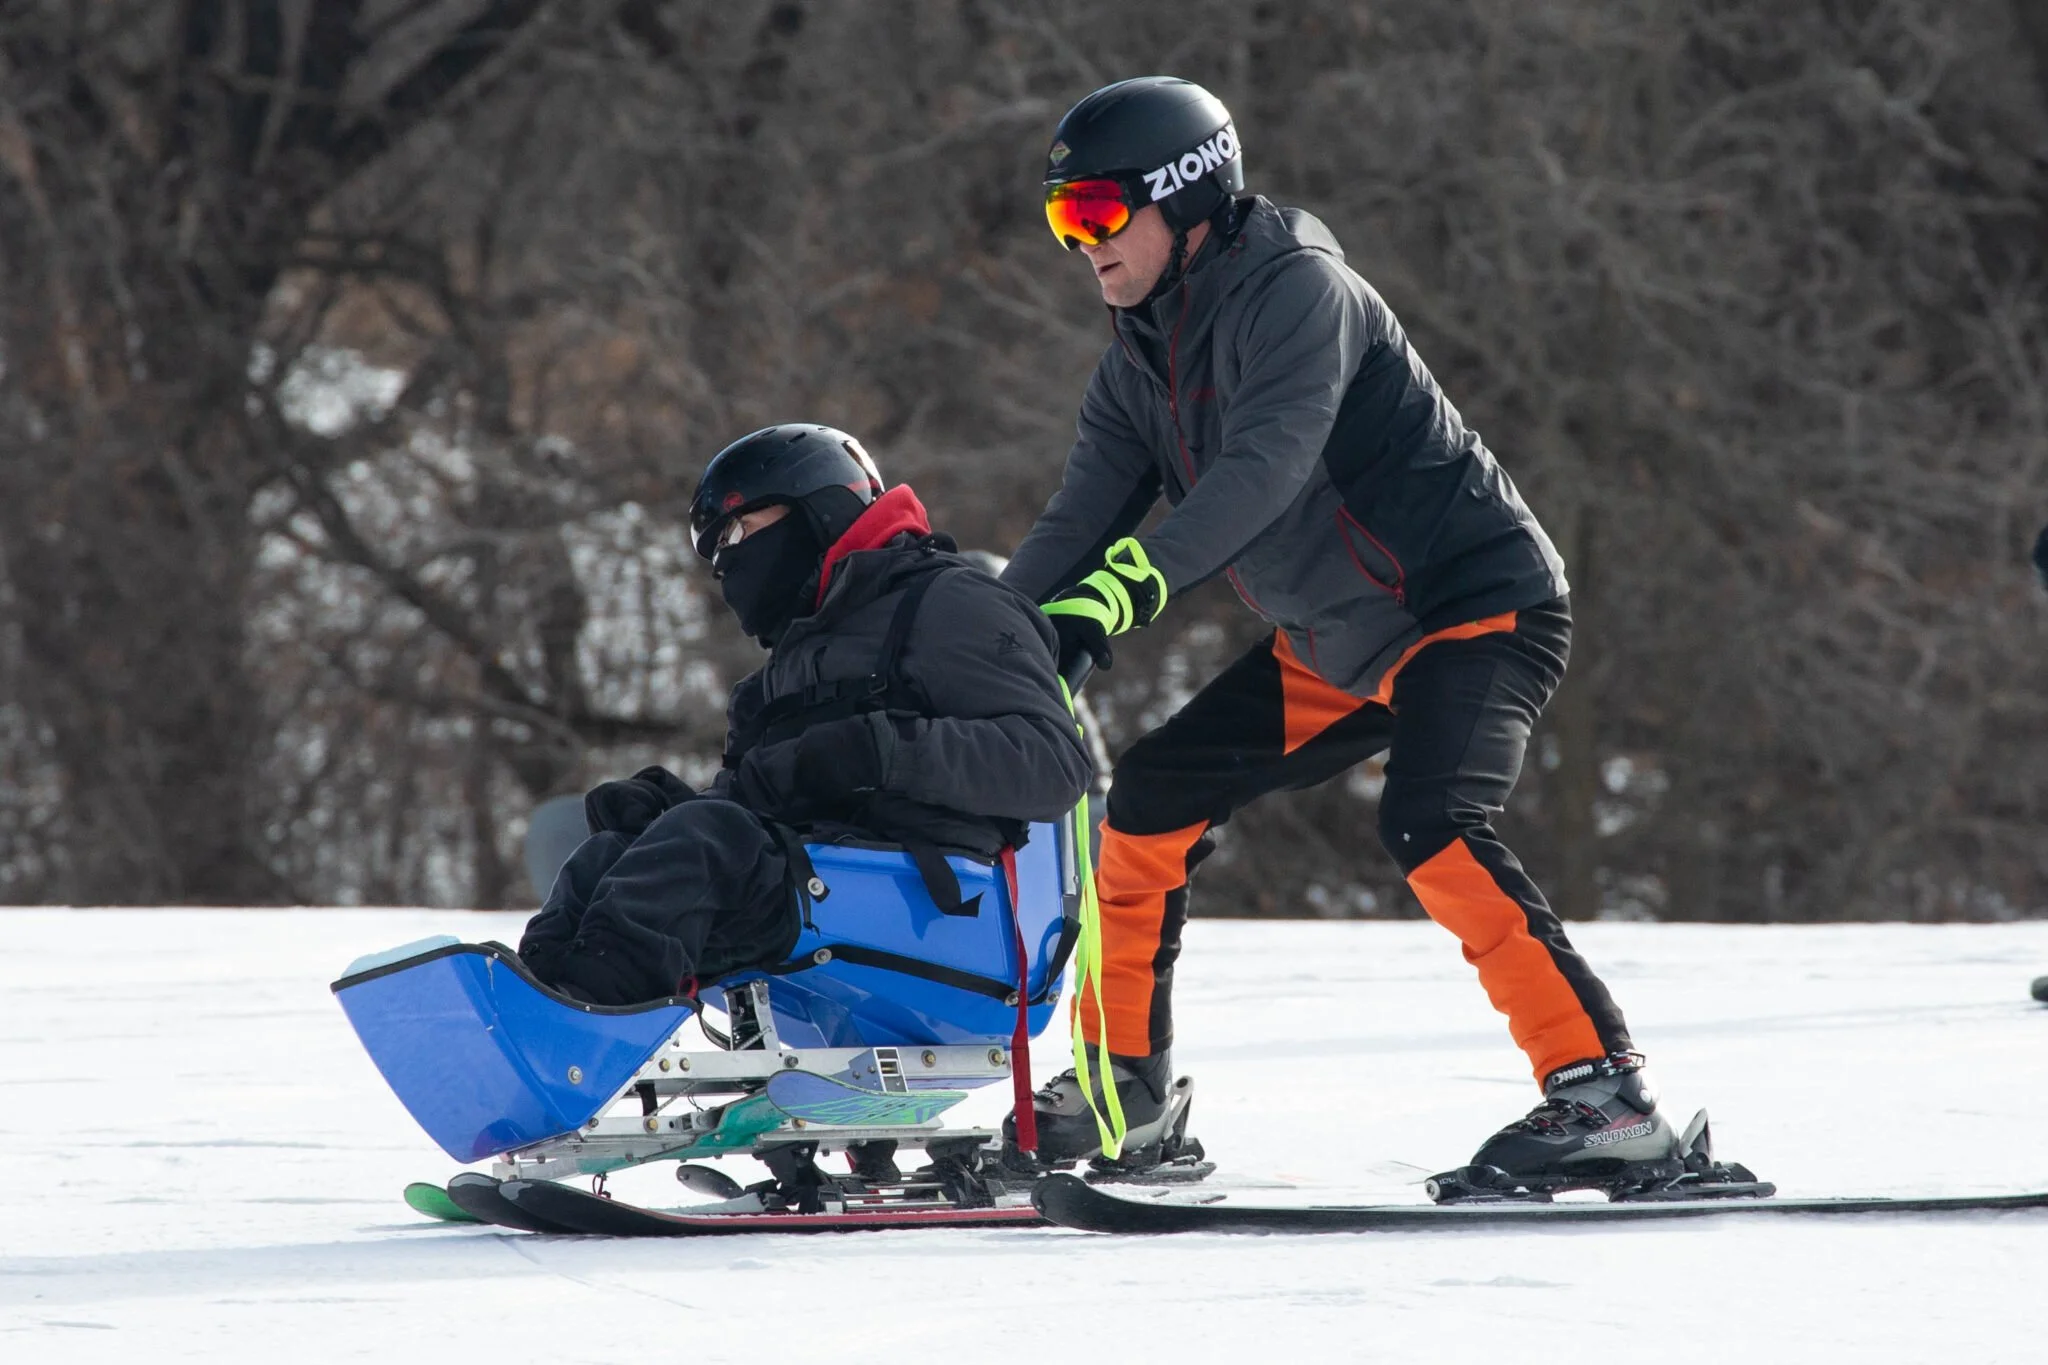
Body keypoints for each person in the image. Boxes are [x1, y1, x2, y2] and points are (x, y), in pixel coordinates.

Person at [1001, 77, 1674, 1188]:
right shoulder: (1137, 357)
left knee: (1433, 821)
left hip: (1470, 606)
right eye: (1061, 221)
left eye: (1099, 214)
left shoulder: (1299, 295)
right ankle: (1125, 1098)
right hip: (1334, 640)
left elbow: (1259, 474)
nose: (1082, 246)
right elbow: (1076, 517)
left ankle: (1604, 1100)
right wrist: (994, 636)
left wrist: (1119, 593)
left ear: (1188, 198)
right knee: (1149, 805)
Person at [519, 424, 1091, 1007]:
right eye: (717, 548)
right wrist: (671, 813)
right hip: (824, 887)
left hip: (938, 906)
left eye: (740, 529)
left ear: (816, 507)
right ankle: (532, 1003)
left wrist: (880, 751)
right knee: (611, 853)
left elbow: (1053, 764)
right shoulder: (775, 679)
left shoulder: (949, 603)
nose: (726, 561)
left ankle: (581, 1018)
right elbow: (757, 814)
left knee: (703, 841)